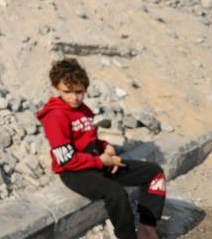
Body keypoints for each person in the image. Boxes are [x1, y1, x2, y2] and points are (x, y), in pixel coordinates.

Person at [37, 58, 166, 239]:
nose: (74, 97)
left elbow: (90, 139)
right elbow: (65, 160)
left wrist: (106, 149)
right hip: (74, 172)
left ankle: (147, 228)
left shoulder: (84, 109)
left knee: (154, 173)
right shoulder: (55, 116)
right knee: (116, 193)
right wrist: (100, 161)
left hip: (98, 162)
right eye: (68, 92)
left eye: (79, 91)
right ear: (55, 87)